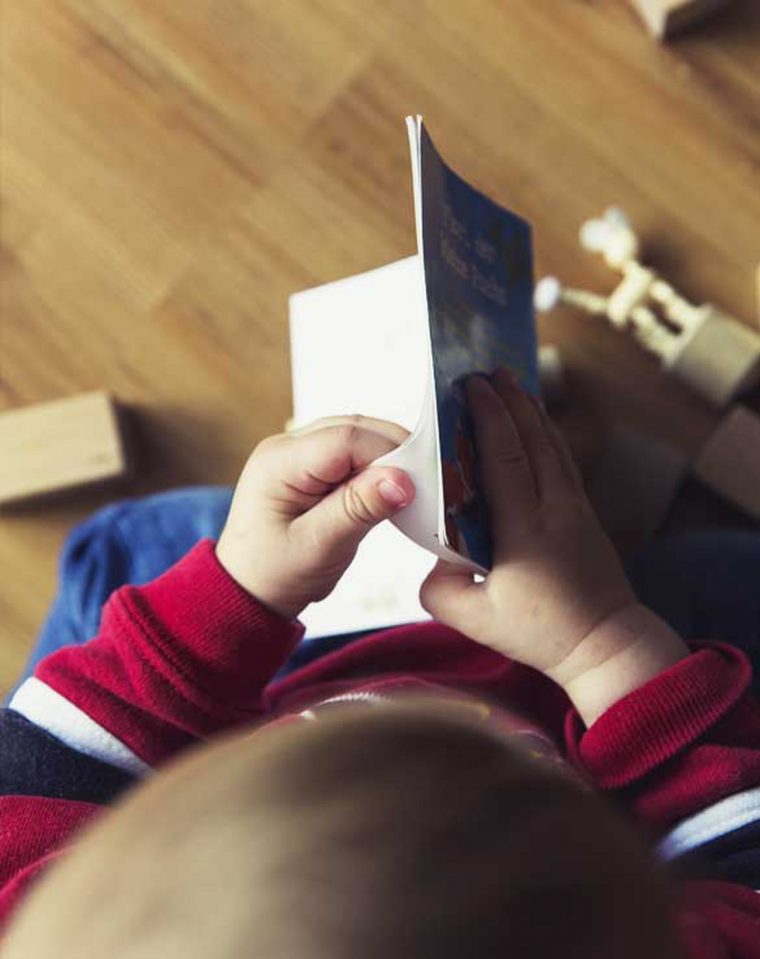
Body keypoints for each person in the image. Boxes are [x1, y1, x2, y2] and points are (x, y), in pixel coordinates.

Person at [1, 369, 759, 957]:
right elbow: (741, 864)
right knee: (722, 575)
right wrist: (604, 642)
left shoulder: (44, 925)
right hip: (592, 704)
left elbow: (44, 763)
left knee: (135, 543)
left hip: (238, 690)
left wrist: (237, 591)